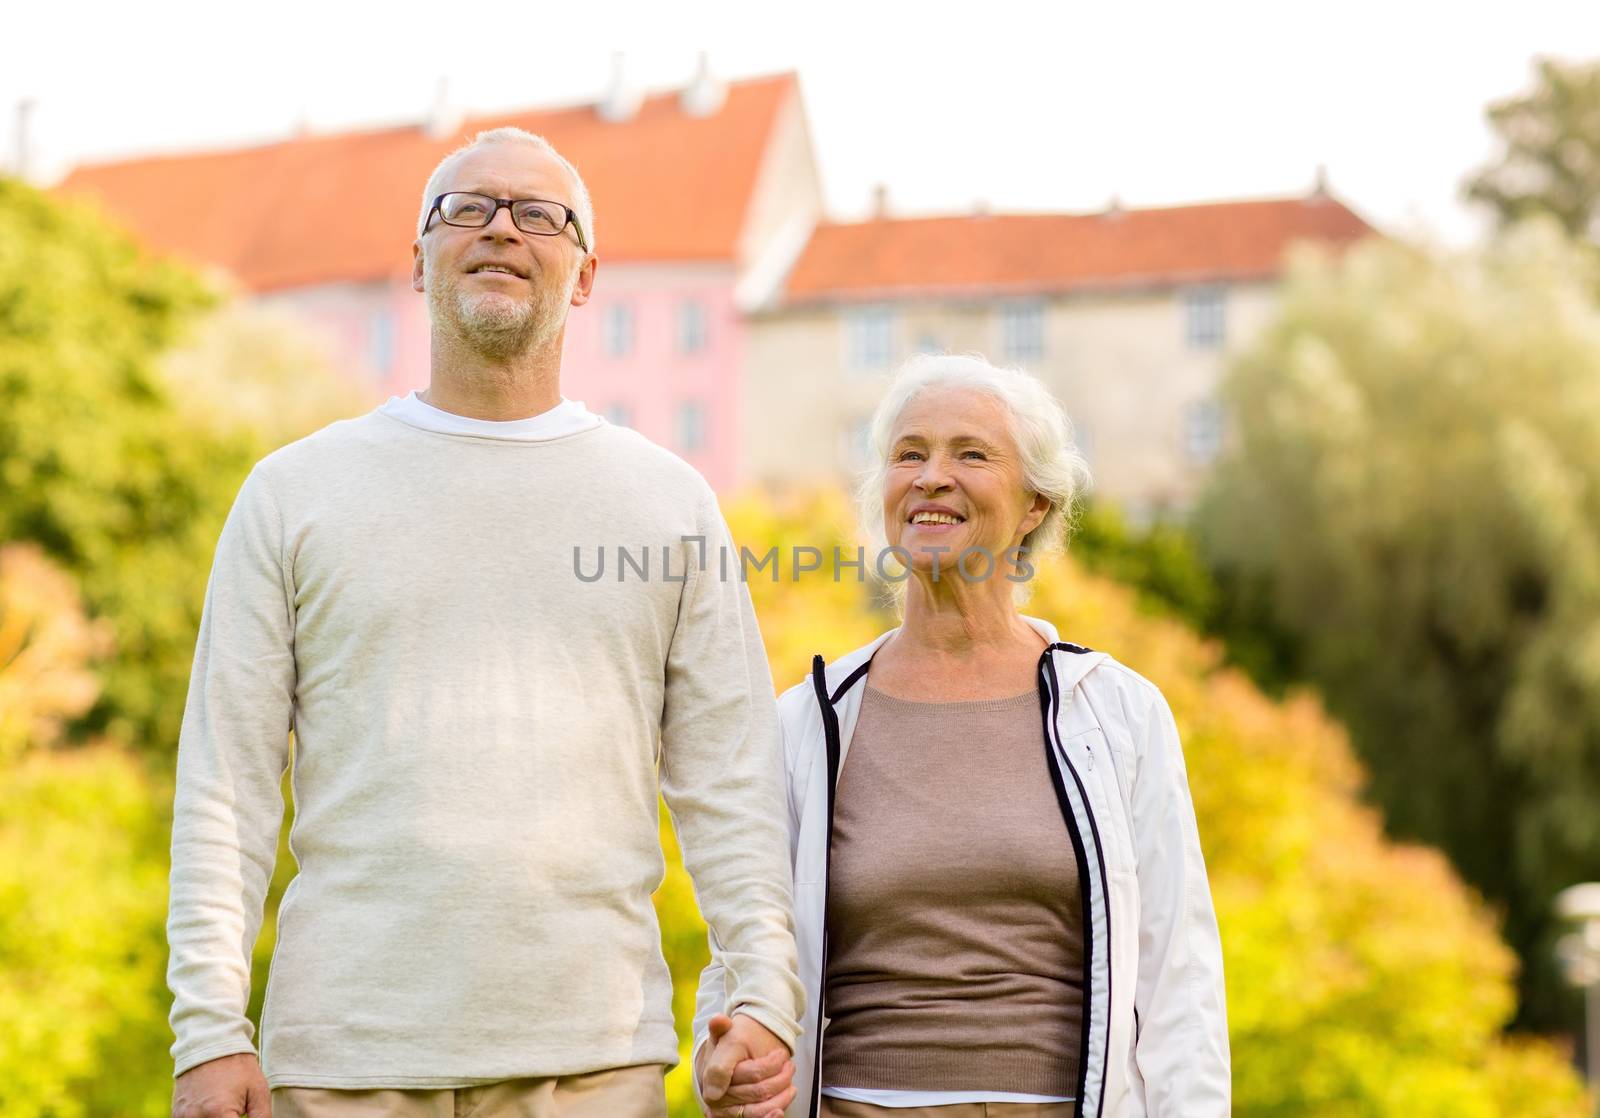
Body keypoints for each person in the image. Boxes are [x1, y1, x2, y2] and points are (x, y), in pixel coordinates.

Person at [167, 127, 801, 1118]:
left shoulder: (668, 501)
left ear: (585, 275)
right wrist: (208, 1031)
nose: (501, 229)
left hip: (590, 1060)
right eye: (467, 208)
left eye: (539, 214)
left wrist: (764, 992)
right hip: (343, 1056)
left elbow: (733, 776)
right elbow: (225, 783)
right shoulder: (293, 492)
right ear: (418, 259)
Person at [692, 354, 1230, 1117]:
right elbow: (743, 944)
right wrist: (720, 1063)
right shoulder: (808, 723)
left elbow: (1180, 981)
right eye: (908, 454)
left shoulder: (1118, 713)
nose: (931, 476)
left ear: (1035, 503)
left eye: (970, 454)